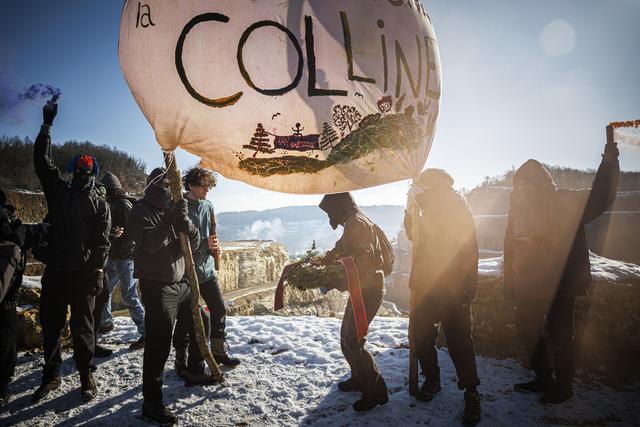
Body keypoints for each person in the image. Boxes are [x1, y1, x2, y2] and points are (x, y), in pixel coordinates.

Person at [504, 126, 619, 404]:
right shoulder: (518, 207)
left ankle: (563, 386)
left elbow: (601, 197)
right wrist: (511, 282)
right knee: (529, 329)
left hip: (561, 281)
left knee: (560, 333)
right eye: (521, 185)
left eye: (528, 184)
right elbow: (511, 246)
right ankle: (544, 377)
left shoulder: (564, 200)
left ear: (543, 182)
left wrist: (609, 162)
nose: (525, 189)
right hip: (531, 282)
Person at [31, 101, 111, 403]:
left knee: (83, 328)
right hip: (56, 271)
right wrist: (46, 125)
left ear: (91, 173)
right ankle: (51, 374)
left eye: (85, 168)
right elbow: (42, 161)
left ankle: (85, 374)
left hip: (83, 275)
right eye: (79, 167)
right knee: (50, 326)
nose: (81, 171)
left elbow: (103, 242)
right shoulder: (59, 192)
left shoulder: (99, 204)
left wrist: (98, 271)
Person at [128, 167, 213, 425]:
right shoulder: (139, 210)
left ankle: (194, 368)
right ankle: (151, 403)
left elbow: (194, 245)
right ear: (155, 185)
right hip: (156, 285)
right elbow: (151, 244)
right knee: (159, 342)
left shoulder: (176, 207)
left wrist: (190, 228)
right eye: (165, 185)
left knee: (201, 319)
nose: (169, 189)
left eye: (171, 185)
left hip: (181, 281)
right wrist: (169, 220)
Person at [403, 169, 481, 425]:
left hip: (453, 287)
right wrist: (409, 211)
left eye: (425, 187)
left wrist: (467, 288)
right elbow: (414, 235)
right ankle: (432, 379)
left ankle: (471, 393)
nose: (422, 191)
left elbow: (467, 248)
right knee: (421, 336)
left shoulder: (455, 205)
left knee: (460, 343)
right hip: (426, 286)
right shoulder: (425, 206)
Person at [319, 192, 388, 412]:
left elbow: (365, 261)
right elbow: (342, 247)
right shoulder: (353, 221)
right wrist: (325, 260)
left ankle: (376, 392)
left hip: (368, 290)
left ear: (339, 207)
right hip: (362, 289)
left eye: (331, 212)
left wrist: (334, 278)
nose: (333, 218)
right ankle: (359, 378)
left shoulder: (356, 223)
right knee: (347, 337)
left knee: (353, 341)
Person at [172, 167, 239, 371]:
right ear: (191, 185)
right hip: (186, 271)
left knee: (218, 309)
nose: (207, 190)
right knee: (185, 318)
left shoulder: (208, 206)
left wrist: (214, 245)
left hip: (206, 269)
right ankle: (180, 357)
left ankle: (218, 351)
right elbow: (178, 241)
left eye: (209, 186)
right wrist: (204, 243)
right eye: (203, 186)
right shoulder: (179, 205)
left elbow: (211, 233)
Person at [0, 190, 48, 409]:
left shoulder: (15, 229)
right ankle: (2, 386)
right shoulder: (15, 229)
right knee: (5, 339)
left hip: (8, 299)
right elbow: (37, 232)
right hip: (7, 301)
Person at [99, 172, 146, 350]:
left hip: (125, 258)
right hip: (114, 257)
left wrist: (122, 251)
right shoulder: (114, 204)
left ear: (109, 190)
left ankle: (146, 332)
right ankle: (106, 322)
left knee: (130, 296)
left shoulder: (122, 205)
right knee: (104, 291)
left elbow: (129, 233)